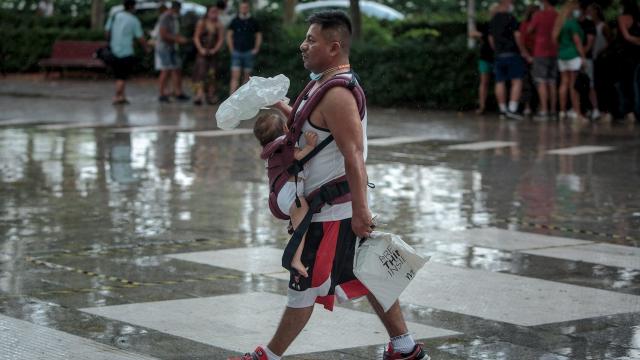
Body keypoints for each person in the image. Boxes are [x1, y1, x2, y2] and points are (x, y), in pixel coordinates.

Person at [228, 10, 430, 360]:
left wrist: (360, 212)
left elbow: (353, 154)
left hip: (332, 213)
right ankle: (405, 348)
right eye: (306, 38)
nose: (303, 45)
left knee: (302, 287)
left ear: (334, 47)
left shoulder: (337, 93)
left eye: (311, 40)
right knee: (369, 273)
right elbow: (315, 132)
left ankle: (268, 357)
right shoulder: (321, 84)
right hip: (332, 209)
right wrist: (280, 105)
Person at [253, 114, 318, 278]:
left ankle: (293, 225)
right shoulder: (285, 142)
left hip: (280, 194)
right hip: (291, 193)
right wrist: (310, 145)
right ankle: (295, 259)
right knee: (301, 227)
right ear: (284, 128)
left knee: (299, 222)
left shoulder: (271, 149)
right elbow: (298, 156)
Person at [489, 0, 529, 120]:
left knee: (499, 81)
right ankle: (512, 109)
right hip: (512, 53)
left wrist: (496, 50)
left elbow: (491, 39)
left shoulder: (493, 20)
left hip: (499, 55)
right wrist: (523, 51)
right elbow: (517, 36)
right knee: (516, 81)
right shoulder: (511, 18)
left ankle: (502, 109)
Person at [105, 0, 148, 105]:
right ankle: (117, 96)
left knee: (119, 75)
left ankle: (122, 96)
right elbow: (140, 37)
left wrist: (110, 42)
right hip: (126, 51)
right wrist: (146, 48)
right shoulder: (134, 20)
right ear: (132, 7)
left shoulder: (115, 16)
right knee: (122, 76)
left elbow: (107, 31)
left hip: (114, 49)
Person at [553, 0, 586, 120]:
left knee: (563, 83)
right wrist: (583, 57)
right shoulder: (573, 24)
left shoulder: (560, 23)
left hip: (562, 55)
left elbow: (556, 41)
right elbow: (577, 41)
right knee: (574, 85)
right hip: (573, 55)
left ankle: (562, 111)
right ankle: (577, 112)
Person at [528, 0, 558, 120]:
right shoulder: (557, 15)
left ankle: (544, 111)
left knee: (541, 82)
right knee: (552, 82)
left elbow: (529, 30)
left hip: (540, 51)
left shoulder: (539, 15)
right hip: (554, 51)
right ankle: (553, 111)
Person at [155, 1, 190, 103]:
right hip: (164, 47)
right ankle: (162, 93)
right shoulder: (165, 17)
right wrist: (178, 40)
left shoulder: (174, 18)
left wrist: (179, 39)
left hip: (172, 47)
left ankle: (178, 92)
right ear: (175, 8)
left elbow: (174, 32)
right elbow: (163, 34)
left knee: (177, 69)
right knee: (166, 70)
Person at [227, 0, 262, 95]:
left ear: (248, 8)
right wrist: (231, 49)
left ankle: (243, 99)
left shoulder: (253, 21)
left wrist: (256, 48)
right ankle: (231, 98)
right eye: (242, 7)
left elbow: (258, 35)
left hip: (248, 52)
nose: (244, 9)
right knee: (235, 77)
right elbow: (229, 35)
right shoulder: (235, 21)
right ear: (239, 8)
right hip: (237, 52)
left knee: (247, 78)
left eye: (245, 7)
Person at [469, 3, 499, 115]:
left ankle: (497, 106)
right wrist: (482, 36)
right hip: (486, 57)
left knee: (497, 82)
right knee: (485, 82)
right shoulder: (487, 25)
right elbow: (472, 34)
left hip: (494, 57)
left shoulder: (498, 25)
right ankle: (482, 106)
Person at [192, 5, 224, 105]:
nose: (214, 14)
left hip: (213, 53)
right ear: (208, 12)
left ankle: (211, 95)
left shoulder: (219, 24)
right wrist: (201, 49)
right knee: (200, 74)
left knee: (212, 74)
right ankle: (199, 95)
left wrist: (215, 49)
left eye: (216, 12)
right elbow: (196, 37)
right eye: (212, 12)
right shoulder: (202, 22)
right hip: (202, 52)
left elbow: (221, 39)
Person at [617, 0, 640, 122]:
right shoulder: (637, 19)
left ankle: (628, 110)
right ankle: (637, 110)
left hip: (625, 56)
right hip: (637, 55)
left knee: (626, 84)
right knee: (636, 83)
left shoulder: (622, 18)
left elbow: (626, 37)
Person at [588, 3, 611, 120]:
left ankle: (605, 109)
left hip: (601, 58)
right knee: (593, 84)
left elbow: (609, 41)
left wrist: (601, 50)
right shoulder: (588, 26)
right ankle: (595, 108)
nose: (589, 13)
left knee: (602, 83)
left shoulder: (603, 26)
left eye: (591, 11)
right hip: (592, 58)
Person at [577, 1, 599, 119]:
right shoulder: (573, 23)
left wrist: (581, 55)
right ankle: (580, 109)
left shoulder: (589, 24)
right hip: (574, 59)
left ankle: (595, 109)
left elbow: (590, 43)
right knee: (576, 85)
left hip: (586, 58)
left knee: (590, 84)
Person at [519, 5, 539, 116]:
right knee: (526, 83)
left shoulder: (539, 26)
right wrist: (527, 56)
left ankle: (540, 106)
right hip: (527, 58)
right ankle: (527, 107)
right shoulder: (525, 25)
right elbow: (521, 43)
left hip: (538, 57)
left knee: (539, 83)